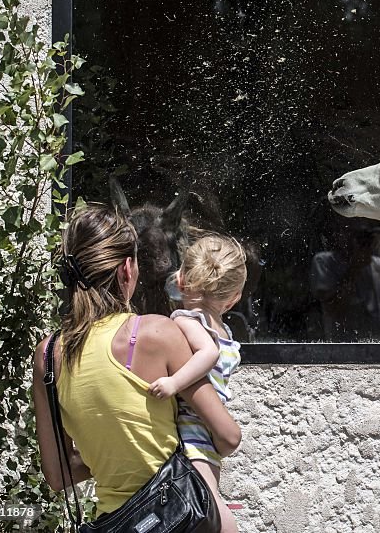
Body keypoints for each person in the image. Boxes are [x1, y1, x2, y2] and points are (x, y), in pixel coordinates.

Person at [31, 204, 241, 525]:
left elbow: (59, 474)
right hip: (175, 517)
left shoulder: (47, 355)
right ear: (128, 270)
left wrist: (106, 452)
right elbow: (227, 436)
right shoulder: (157, 333)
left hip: (114, 523)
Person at [146, 233, 247, 533]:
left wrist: (174, 383)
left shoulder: (186, 320)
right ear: (234, 298)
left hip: (190, 430)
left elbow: (208, 352)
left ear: (180, 281)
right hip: (208, 433)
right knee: (209, 496)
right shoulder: (225, 330)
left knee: (207, 504)